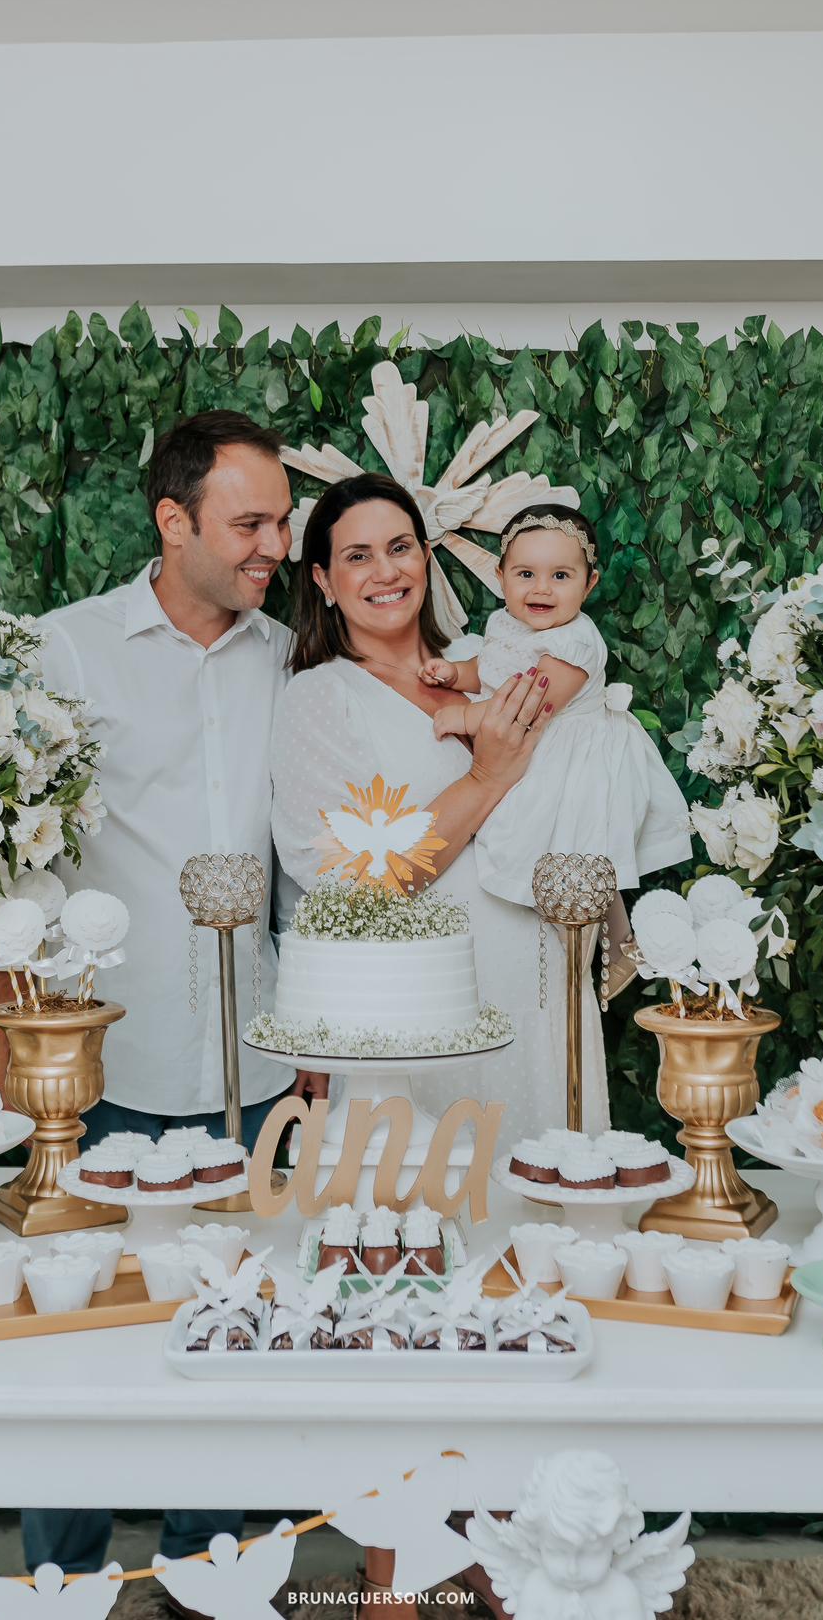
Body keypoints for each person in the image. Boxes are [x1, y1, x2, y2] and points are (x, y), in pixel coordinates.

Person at [12, 410, 296, 1600]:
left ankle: (206, 1573)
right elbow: (19, 857)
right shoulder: (64, 651)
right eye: (251, 522)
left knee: (229, 1332)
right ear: (173, 520)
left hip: (252, 1062)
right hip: (103, 1068)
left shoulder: (291, 655)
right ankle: (62, 1586)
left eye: (283, 521)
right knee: (76, 1332)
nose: (276, 544)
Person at [269, 470, 569, 1152]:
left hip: (542, 990)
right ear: (322, 580)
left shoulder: (488, 665)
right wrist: (486, 777)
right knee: (445, 1192)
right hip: (427, 1016)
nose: (386, 571)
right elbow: (352, 889)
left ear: (426, 557)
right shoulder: (323, 697)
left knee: (555, 1194)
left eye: (400, 547)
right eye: (358, 556)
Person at [424, 499, 691, 904]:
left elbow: (527, 703)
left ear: (589, 583)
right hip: (533, 739)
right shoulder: (506, 622)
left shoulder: (573, 642)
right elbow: (493, 665)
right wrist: (457, 672)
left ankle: (593, 929)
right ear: (500, 577)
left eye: (561, 575)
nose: (542, 588)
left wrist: (463, 715)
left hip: (572, 756)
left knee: (570, 846)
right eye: (525, 574)